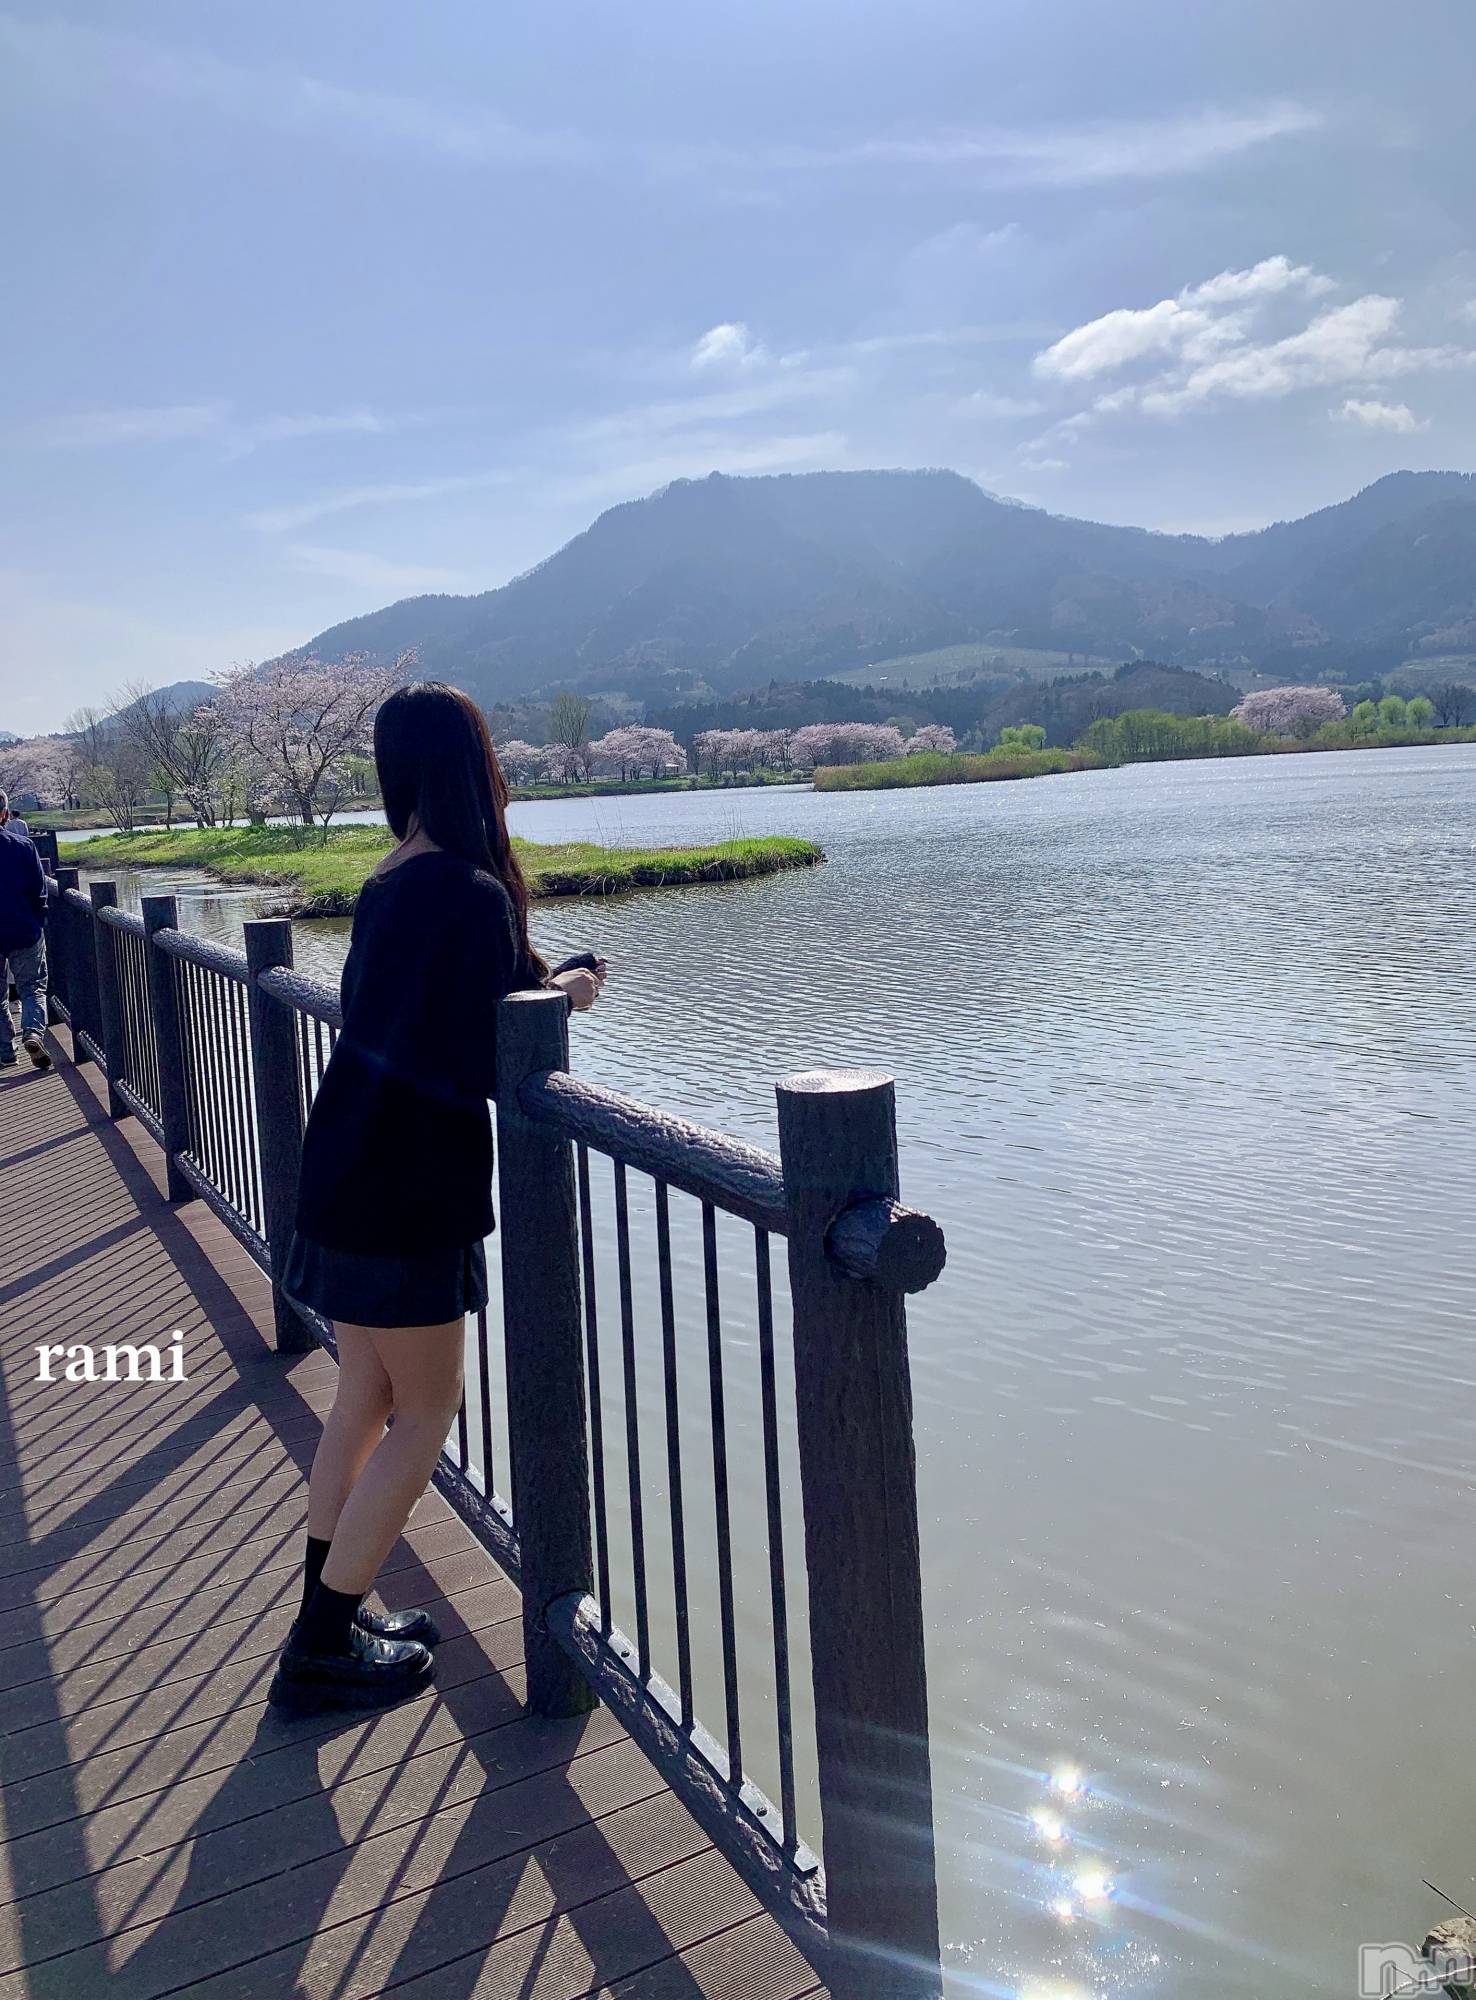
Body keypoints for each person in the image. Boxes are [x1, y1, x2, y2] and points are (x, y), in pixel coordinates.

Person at [270, 683, 606, 1714]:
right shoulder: (469, 888)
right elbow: (479, 1048)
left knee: (365, 1398)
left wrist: (536, 984)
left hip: (345, 1169)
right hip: (411, 1189)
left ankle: (327, 1615)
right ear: (476, 766)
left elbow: (425, 1017)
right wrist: (566, 995)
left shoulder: (388, 879)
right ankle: (320, 1646)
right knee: (427, 1413)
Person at [0, 792, 51, 1072]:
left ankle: (6, 1052)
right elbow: (39, 890)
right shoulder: (23, 846)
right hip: (23, 928)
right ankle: (32, 1032)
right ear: (5, 815)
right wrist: (39, 920)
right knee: (32, 987)